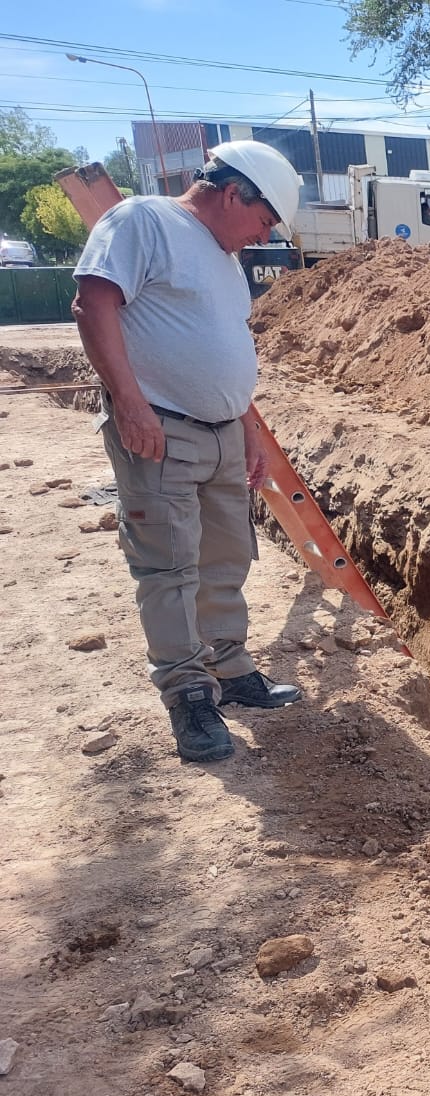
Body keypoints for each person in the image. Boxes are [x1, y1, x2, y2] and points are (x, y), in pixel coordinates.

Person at [73, 140, 306, 764]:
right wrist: (129, 403)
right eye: (263, 220)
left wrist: (248, 425)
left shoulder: (225, 262)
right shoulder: (143, 221)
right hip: (161, 428)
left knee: (226, 556)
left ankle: (229, 670)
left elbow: (222, 344)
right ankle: (189, 696)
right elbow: (94, 303)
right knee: (169, 565)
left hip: (224, 431)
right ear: (234, 193)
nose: (261, 235)